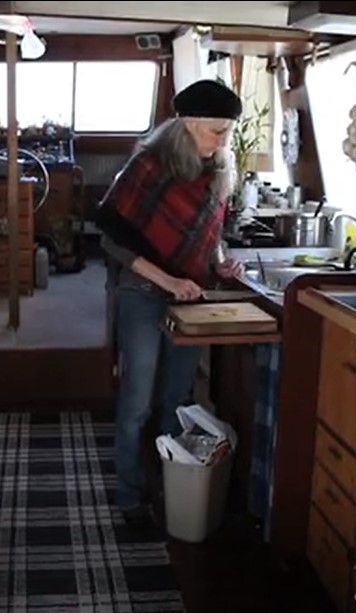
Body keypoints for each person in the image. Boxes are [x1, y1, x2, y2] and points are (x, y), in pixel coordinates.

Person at [95, 79, 245, 523]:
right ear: (187, 125)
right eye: (216, 131)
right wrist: (168, 279)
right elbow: (112, 237)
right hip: (143, 292)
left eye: (228, 132)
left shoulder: (217, 168)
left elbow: (211, 235)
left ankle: (172, 488)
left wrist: (219, 264)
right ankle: (129, 494)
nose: (223, 141)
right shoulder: (148, 166)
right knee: (138, 402)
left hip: (191, 297)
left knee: (178, 401)